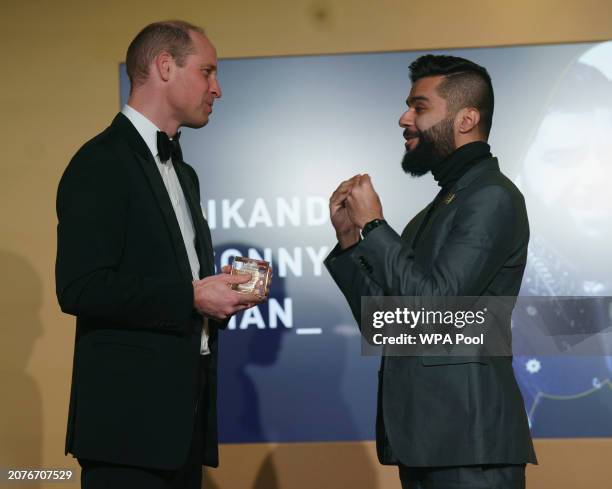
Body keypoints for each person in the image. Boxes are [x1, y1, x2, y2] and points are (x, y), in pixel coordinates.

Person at [55, 20, 266, 489]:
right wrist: (192, 298)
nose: (218, 89)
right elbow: (80, 286)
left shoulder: (184, 172)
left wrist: (221, 297)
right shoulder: (100, 163)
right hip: (126, 433)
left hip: (182, 427)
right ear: (165, 67)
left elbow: (175, 283)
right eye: (208, 72)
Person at [325, 55, 537, 489]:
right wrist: (350, 241)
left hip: (469, 444)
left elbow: (437, 307)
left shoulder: (492, 198)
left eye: (419, 107)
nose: (404, 118)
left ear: (466, 119)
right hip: (425, 440)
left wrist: (375, 227)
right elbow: (386, 327)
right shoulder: (434, 212)